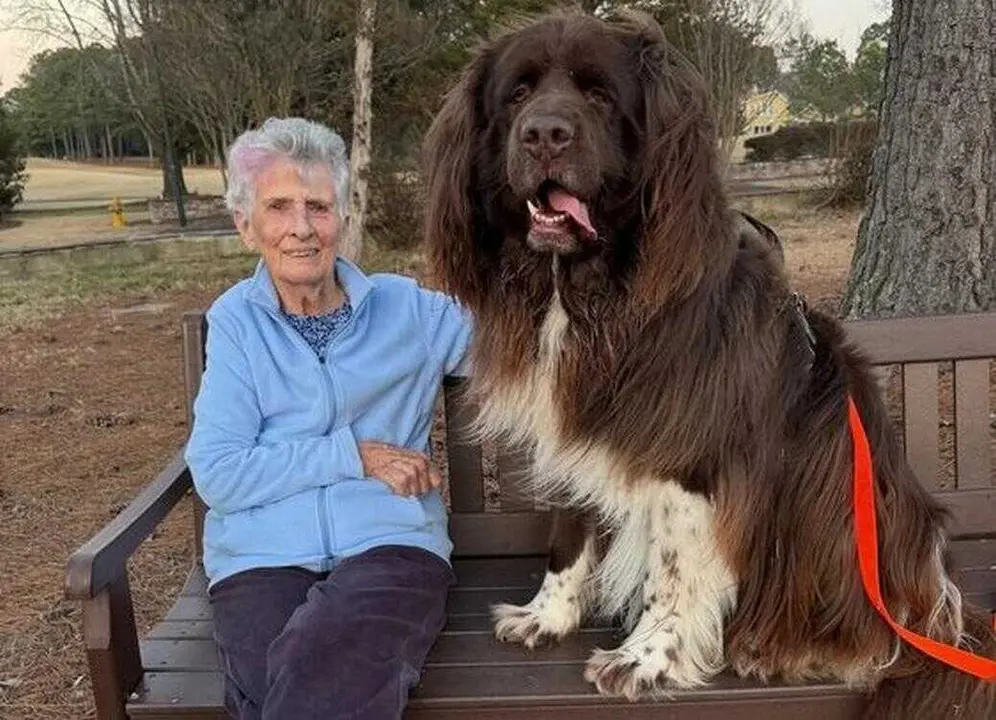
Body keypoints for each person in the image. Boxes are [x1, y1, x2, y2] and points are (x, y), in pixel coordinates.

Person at [184, 116, 473, 720]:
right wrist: (355, 456)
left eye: (317, 206)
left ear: (342, 215)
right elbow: (219, 472)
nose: (300, 228)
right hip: (260, 557)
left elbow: (525, 346)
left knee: (314, 676)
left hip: (390, 547)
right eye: (279, 207)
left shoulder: (409, 310)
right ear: (246, 225)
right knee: (299, 685)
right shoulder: (236, 324)